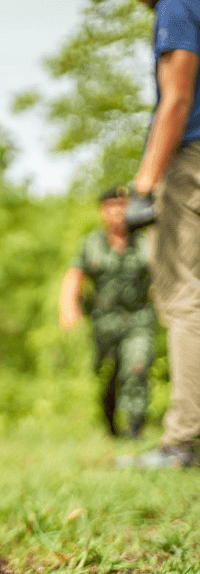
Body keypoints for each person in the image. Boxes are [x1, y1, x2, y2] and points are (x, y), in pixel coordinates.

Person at [119, 0, 200, 468]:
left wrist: (145, 184)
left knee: (184, 296)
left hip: (190, 163)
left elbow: (177, 97)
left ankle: (183, 443)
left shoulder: (178, 6)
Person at [59, 187, 156, 439]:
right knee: (108, 375)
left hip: (139, 319)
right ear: (102, 211)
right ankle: (112, 427)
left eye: (122, 204)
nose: (117, 211)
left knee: (137, 367)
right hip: (104, 323)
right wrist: (68, 307)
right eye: (111, 205)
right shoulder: (92, 243)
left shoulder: (145, 241)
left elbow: (161, 275)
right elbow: (74, 276)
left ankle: (135, 430)